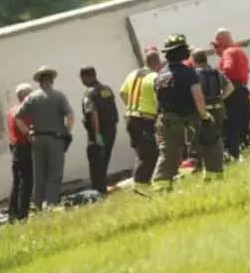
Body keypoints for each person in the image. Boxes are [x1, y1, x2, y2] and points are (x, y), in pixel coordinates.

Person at [151, 34, 213, 191]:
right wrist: (205, 116)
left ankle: (160, 187)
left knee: (168, 155)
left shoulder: (160, 76)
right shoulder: (188, 73)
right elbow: (198, 97)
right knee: (207, 146)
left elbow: (157, 101)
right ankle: (210, 178)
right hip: (186, 121)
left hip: (165, 121)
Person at [15, 66, 75, 210]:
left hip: (38, 139)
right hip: (55, 138)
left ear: (39, 81)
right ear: (52, 80)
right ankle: (51, 204)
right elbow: (70, 116)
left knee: (39, 173)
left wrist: (28, 133)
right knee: (55, 173)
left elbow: (18, 118)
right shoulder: (59, 96)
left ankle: (37, 205)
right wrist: (67, 132)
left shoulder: (31, 97)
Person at [119, 47, 162, 189]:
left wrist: (131, 107)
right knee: (150, 154)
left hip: (131, 119)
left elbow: (122, 92)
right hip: (145, 120)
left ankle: (141, 182)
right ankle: (141, 184)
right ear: (157, 63)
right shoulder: (154, 77)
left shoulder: (133, 74)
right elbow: (159, 100)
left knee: (141, 153)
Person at [190, 48, 234, 178]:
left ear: (193, 60)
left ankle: (205, 169)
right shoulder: (216, 72)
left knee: (202, 140)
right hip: (218, 108)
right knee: (216, 138)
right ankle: (218, 167)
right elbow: (230, 87)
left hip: (203, 110)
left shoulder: (194, 75)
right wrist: (221, 98)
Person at [79, 66, 119, 194]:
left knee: (96, 162)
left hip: (99, 133)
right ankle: (102, 188)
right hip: (111, 130)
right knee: (104, 160)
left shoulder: (89, 93)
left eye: (82, 78)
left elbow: (93, 113)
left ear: (86, 77)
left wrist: (97, 135)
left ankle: (98, 192)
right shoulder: (106, 89)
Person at [212, 28, 250, 160]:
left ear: (222, 43)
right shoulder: (240, 52)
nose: (215, 50)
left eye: (216, 46)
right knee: (244, 122)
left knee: (231, 123)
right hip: (243, 90)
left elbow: (228, 70)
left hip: (232, 91)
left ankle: (234, 154)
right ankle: (247, 150)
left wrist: (215, 78)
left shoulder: (228, 52)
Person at [7, 83, 35, 222]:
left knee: (17, 183)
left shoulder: (12, 111)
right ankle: (22, 215)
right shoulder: (23, 112)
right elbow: (28, 132)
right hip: (24, 148)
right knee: (26, 183)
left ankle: (13, 214)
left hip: (15, 147)